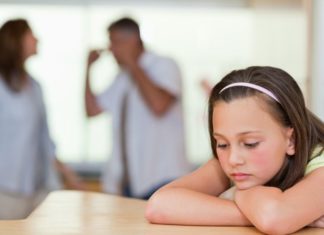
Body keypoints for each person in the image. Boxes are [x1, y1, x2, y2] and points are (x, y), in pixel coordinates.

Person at [145, 66, 324, 234]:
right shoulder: (233, 163)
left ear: (291, 140)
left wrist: (236, 197)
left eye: (250, 143)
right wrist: (255, 212)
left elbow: (273, 218)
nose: (233, 159)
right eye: (222, 144)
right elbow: (159, 205)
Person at [85, 17, 191, 199]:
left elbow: (158, 105)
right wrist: (88, 69)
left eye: (115, 42)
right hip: (131, 184)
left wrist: (133, 63)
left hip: (164, 179)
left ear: (133, 40)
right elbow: (92, 110)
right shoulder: (122, 77)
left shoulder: (164, 65)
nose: (111, 49)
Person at [0, 19, 85, 219]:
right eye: (31, 34)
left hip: (38, 191)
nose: (37, 39)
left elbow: (44, 142)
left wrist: (69, 176)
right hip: (6, 192)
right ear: (16, 40)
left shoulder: (34, 86)